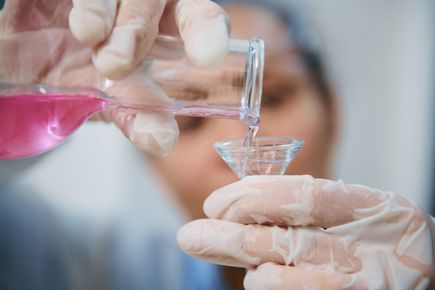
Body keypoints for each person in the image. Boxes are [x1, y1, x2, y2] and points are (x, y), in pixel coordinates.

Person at [0, 1, 433, 290]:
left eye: (275, 96)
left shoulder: (410, 265)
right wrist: (18, 77)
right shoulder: (89, 267)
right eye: (188, 123)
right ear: (151, 155)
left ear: (333, 113)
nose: (232, 141)